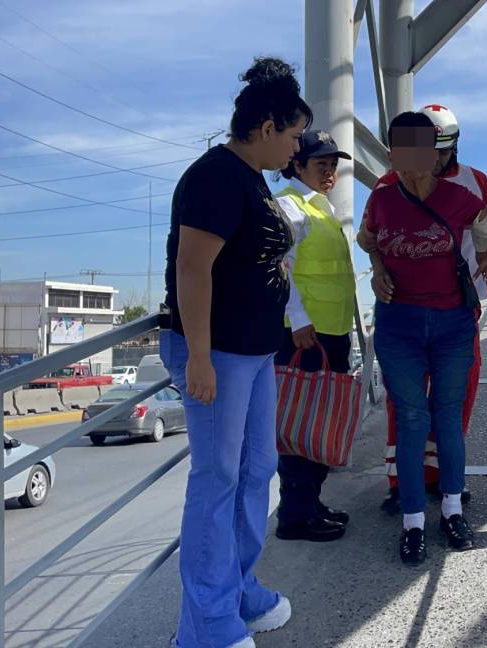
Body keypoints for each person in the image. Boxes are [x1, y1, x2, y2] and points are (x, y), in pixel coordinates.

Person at [162, 57, 308, 648]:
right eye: (295, 136)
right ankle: (205, 625)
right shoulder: (217, 176)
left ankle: (237, 588)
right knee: (218, 478)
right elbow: (192, 267)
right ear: (267, 126)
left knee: (257, 471)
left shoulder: (251, 178)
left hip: (252, 352)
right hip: (215, 351)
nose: (297, 150)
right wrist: (197, 356)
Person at [358, 111, 487, 565]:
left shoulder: (460, 195)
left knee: (446, 416)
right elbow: (368, 240)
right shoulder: (382, 197)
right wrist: (379, 270)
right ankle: (413, 522)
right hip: (398, 324)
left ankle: (453, 510)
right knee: (411, 419)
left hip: (452, 324)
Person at [272, 130, 356, 542]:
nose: (329, 170)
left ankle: (309, 504)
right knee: (301, 424)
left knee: (319, 420)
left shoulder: (320, 208)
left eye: (332, 163)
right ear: (296, 165)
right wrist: (298, 317)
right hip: (306, 334)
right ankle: (295, 515)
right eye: (319, 163)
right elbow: (279, 266)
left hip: (330, 331)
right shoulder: (291, 206)